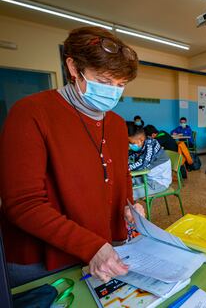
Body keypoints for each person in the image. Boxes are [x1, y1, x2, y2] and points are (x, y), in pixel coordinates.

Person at [0, 26, 146, 286]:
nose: (112, 92)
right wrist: (90, 246)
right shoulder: (31, 113)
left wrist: (129, 205)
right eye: (103, 81)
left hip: (102, 248)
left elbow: (120, 174)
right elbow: (23, 204)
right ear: (73, 68)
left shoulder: (115, 124)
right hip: (43, 261)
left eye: (120, 85)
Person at [127, 123, 172, 199]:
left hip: (159, 182)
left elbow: (142, 164)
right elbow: (131, 156)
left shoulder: (150, 145)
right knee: (124, 185)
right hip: (147, 177)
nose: (130, 145)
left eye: (131, 143)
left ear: (140, 140)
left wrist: (125, 168)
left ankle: (128, 209)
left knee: (129, 194)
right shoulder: (141, 145)